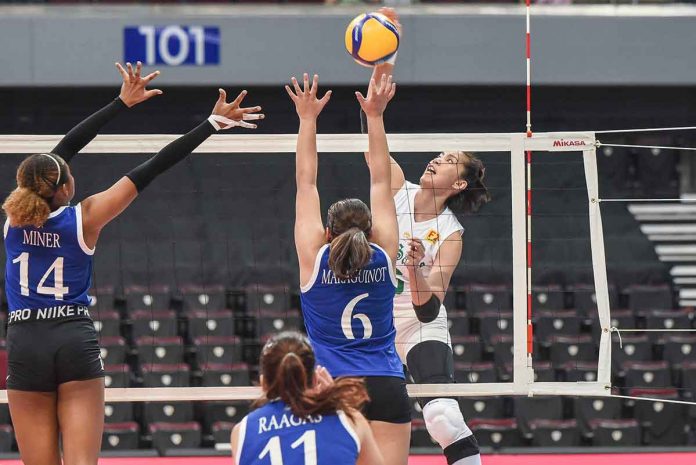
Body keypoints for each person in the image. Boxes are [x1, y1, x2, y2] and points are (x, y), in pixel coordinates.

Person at [2, 61, 263, 465]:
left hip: (25, 340)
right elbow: (151, 168)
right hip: (71, 335)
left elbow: (61, 151)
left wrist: (119, 104)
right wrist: (210, 123)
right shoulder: (85, 217)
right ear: (66, 187)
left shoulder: (13, 218)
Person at [360, 9, 489, 465]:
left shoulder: (451, 235)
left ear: (459, 184)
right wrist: (384, 68)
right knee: (347, 419)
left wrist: (415, 267)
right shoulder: (396, 187)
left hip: (418, 326)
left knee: (441, 417)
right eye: (440, 154)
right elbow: (377, 152)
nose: (437, 159)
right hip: (370, 323)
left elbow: (429, 305)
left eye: (449, 160)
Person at [288, 72, 411, 465]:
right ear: (371, 229)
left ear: (327, 232)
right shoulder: (384, 254)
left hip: (334, 385)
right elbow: (380, 178)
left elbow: (305, 183)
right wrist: (375, 116)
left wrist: (307, 119)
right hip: (388, 384)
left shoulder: (313, 256)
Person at [231, 331, 383, 465]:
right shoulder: (350, 420)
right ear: (316, 379)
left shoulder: (243, 431)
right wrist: (337, 405)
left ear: (263, 384)